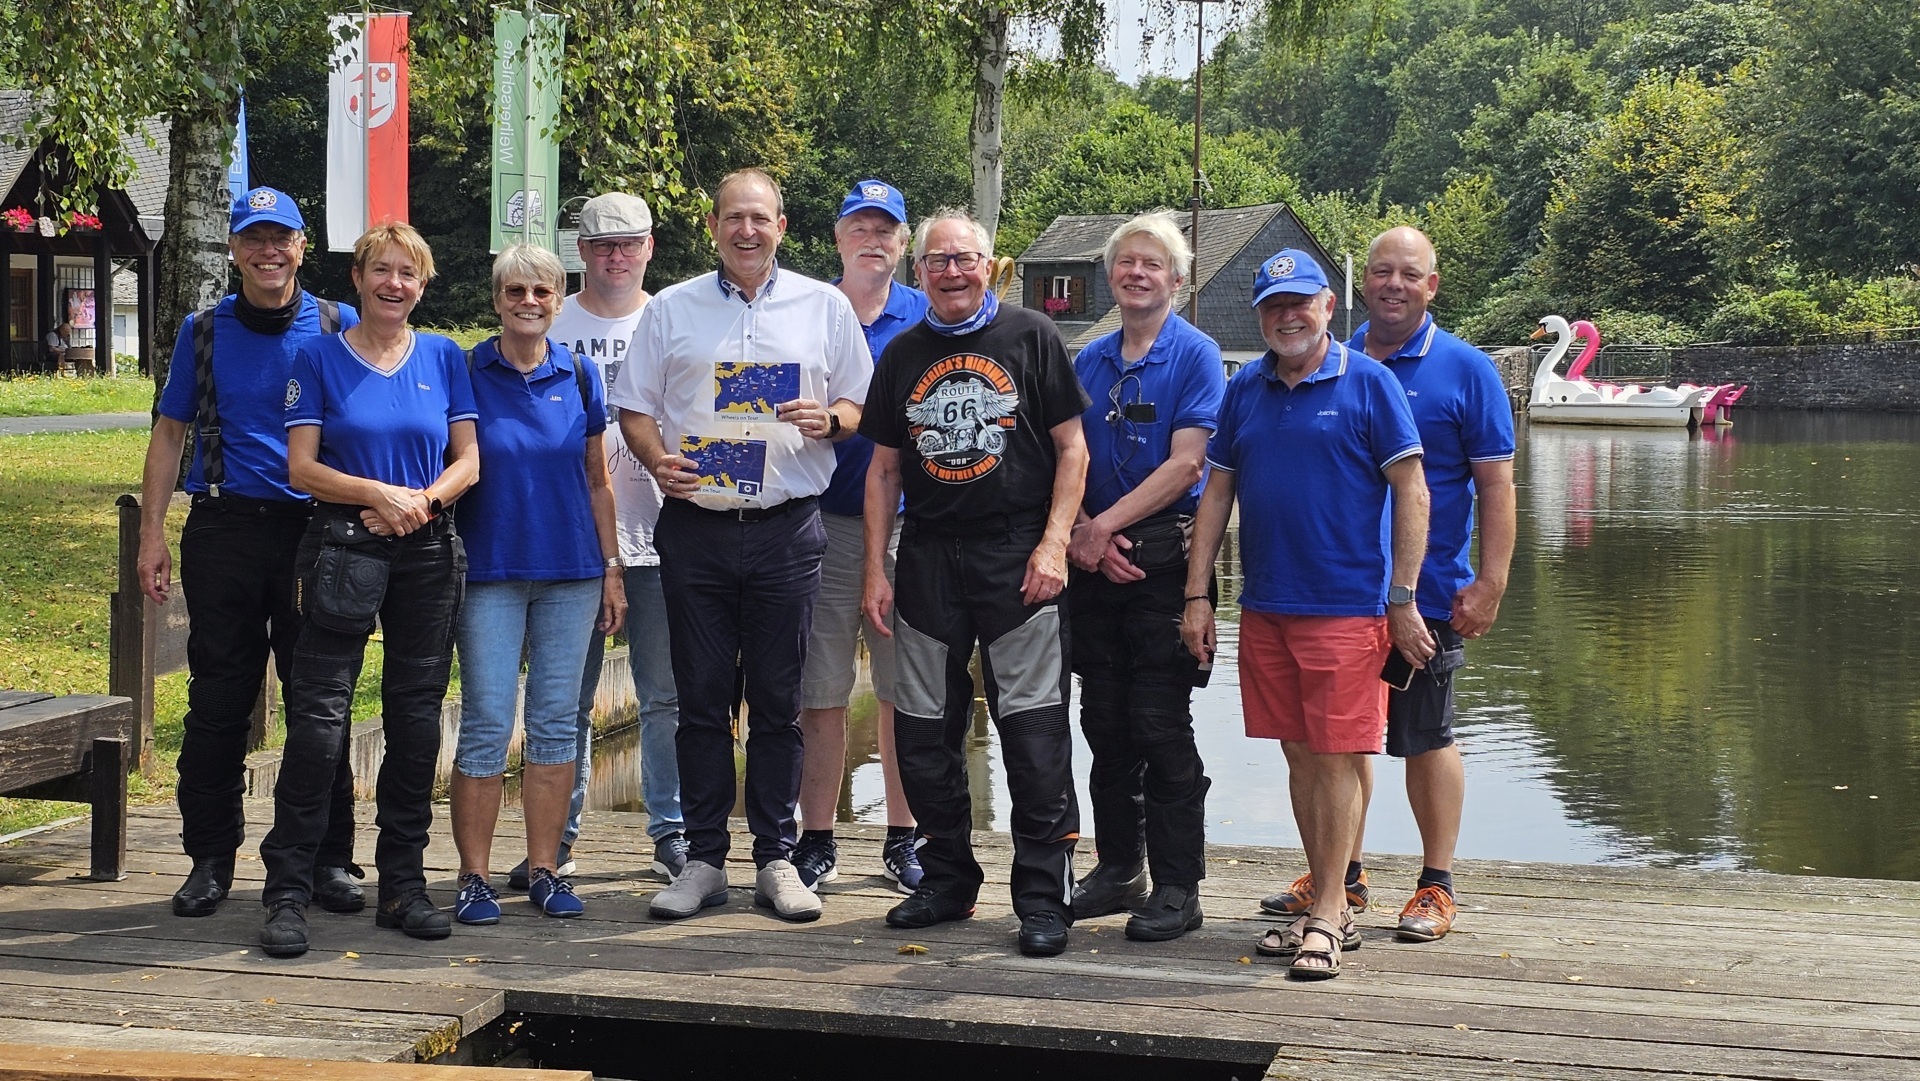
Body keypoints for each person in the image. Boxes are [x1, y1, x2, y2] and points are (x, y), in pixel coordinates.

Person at [610, 168, 871, 924]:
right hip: (696, 529)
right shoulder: (672, 310)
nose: (746, 230)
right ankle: (702, 860)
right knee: (699, 700)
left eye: (760, 218)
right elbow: (633, 407)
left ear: (782, 226)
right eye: (733, 218)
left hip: (788, 528)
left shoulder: (824, 307)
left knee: (780, 702)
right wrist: (657, 458)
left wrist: (834, 420)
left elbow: (861, 399)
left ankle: (776, 857)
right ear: (714, 227)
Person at [1259, 227, 1515, 943]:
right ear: (1359, 287)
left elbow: (1496, 485)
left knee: (1426, 734)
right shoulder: (1329, 360)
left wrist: (1490, 580)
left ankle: (1436, 883)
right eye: (1382, 272)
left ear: (1433, 285)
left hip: (1425, 595)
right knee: (1338, 743)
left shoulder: (1466, 370)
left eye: (1410, 273)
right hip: (1331, 594)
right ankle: (1344, 877)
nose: (1394, 284)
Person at [1180, 248, 1430, 980]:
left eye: (1300, 302)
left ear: (1326, 305)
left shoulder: (1370, 382)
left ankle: (1327, 910)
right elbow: (1216, 495)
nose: (1287, 316)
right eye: (1272, 305)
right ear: (1260, 315)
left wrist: (1404, 597)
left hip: (1347, 608)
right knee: (1298, 753)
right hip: (1265, 606)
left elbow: (1413, 493)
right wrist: (1198, 594)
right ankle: (1329, 897)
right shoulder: (1245, 389)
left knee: (1335, 757)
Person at [860, 209, 1090, 958]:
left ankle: (1041, 898)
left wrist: (1055, 544)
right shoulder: (901, 353)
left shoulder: (1032, 337)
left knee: (1032, 731)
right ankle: (948, 879)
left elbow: (1072, 450)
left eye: (964, 259)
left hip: (1016, 553)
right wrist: (874, 566)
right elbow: (885, 468)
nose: (951, 272)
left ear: (989, 265)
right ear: (917, 270)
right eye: (937, 260)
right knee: (924, 730)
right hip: (927, 554)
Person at [137, 187, 362, 921]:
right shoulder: (203, 331)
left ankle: (327, 856)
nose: (269, 252)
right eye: (253, 239)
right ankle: (210, 856)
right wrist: (151, 534)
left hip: (315, 533)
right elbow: (170, 435)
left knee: (317, 701)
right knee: (217, 701)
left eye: (282, 238)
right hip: (226, 531)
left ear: (303, 244)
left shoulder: (338, 324)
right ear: (234, 250)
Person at [258, 222, 480, 958]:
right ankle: (287, 890)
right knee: (320, 722)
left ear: (422, 285)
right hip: (341, 547)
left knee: (416, 722)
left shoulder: (445, 356)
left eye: (408, 273)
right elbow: (302, 468)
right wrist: (378, 493)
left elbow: (468, 459)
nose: (394, 284)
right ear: (357, 278)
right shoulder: (314, 356)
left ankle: (403, 886)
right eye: (381, 270)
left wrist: (423, 502)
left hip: (426, 550)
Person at [447, 243, 626, 926]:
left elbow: (596, 480)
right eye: (515, 291)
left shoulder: (579, 375)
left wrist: (612, 569)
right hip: (490, 571)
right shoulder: (465, 370)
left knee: (557, 724)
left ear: (559, 299)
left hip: (571, 572)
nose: (528, 302)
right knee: (488, 721)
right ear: (497, 299)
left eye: (542, 292)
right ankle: (473, 876)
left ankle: (546, 868)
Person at [1065, 214, 1223, 942]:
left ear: (1178, 280)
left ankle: (1178, 884)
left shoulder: (1196, 355)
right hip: (1092, 565)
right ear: (1109, 275)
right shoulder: (1088, 361)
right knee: (1105, 722)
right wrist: (1079, 537)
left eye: (1152, 265)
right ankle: (1118, 865)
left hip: (1163, 560)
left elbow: (1188, 464)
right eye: (1125, 263)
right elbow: (1063, 457)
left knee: (1161, 723)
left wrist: (1104, 527)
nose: (1136, 274)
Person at [542, 191, 687, 890]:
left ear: (650, 246)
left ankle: (672, 833)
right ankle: (556, 837)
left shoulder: (675, 320)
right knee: (567, 699)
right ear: (581, 250)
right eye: (602, 245)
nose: (616, 256)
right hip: (573, 543)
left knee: (665, 694)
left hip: (663, 538)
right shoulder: (550, 323)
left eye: (629, 243)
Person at [791, 179, 929, 894]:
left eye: (887, 229)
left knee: (904, 689)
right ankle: (816, 835)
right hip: (822, 521)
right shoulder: (807, 310)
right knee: (821, 690)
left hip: (910, 526)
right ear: (838, 236)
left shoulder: (927, 317)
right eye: (860, 227)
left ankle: (904, 835)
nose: (873, 239)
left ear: (904, 242)